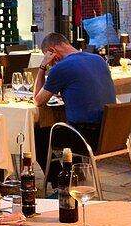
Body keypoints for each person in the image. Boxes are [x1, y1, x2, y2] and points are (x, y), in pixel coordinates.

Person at [32, 32, 114, 184]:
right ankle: (76, 175)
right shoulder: (98, 59)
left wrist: (43, 66)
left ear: (52, 51)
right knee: (67, 124)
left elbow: (37, 100)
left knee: (37, 135)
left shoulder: (62, 67)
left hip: (86, 137)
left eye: (48, 58)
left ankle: (60, 184)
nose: (51, 63)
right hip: (110, 133)